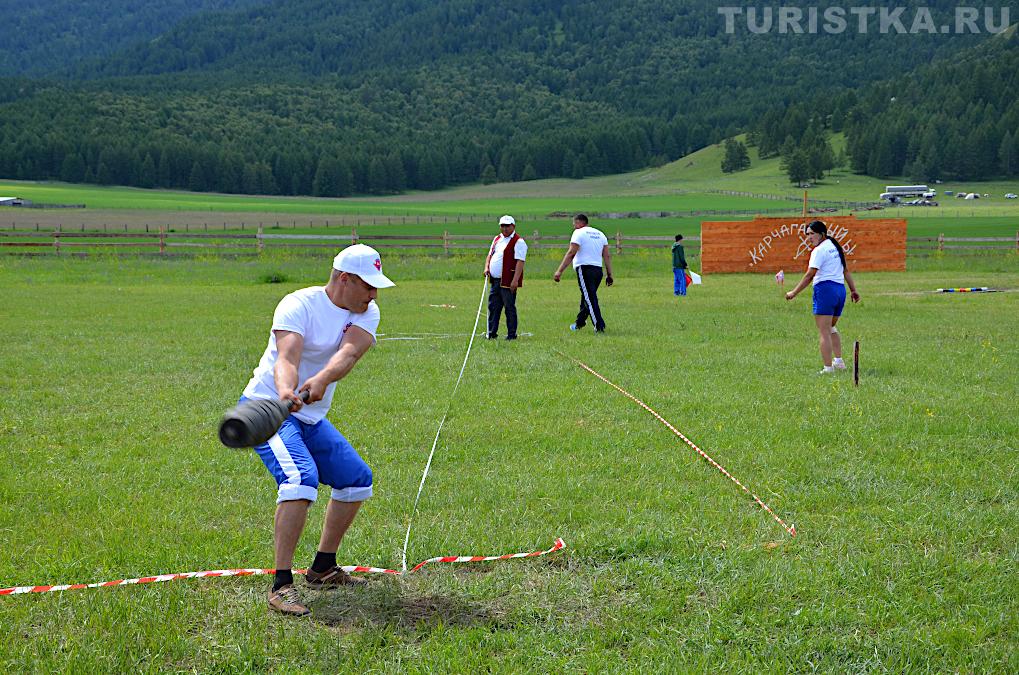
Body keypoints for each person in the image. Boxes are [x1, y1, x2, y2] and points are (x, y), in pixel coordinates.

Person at [237, 244, 395, 616]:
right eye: (368, 286)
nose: (373, 295)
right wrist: (286, 392)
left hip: (309, 417)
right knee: (300, 478)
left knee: (356, 480)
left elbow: (349, 353)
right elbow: (287, 356)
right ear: (344, 279)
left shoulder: (367, 311)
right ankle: (280, 585)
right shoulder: (298, 304)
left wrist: (321, 379)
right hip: (268, 409)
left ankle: (323, 567)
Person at [785, 221, 860, 374]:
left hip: (825, 290)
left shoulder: (819, 251)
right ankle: (839, 362)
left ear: (822, 234)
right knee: (831, 328)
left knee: (824, 331)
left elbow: (809, 275)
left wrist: (793, 292)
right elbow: (845, 271)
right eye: (807, 234)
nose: (809, 237)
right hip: (840, 291)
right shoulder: (834, 247)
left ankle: (828, 368)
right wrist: (853, 290)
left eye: (812, 233)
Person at [553, 213, 613, 332]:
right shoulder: (600, 234)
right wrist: (609, 274)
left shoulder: (578, 233)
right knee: (586, 297)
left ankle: (599, 326)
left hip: (585, 269)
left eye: (574, 224)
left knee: (590, 298)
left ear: (579, 223)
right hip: (598, 270)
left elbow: (571, 253)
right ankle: (579, 323)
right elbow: (606, 255)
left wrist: (559, 271)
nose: (574, 226)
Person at [483, 215, 527, 340]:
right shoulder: (497, 239)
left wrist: (515, 280)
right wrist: (487, 267)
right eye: (502, 226)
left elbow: (520, 262)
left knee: (509, 307)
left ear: (513, 226)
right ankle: (491, 332)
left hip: (508, 280)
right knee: (493, 306)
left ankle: (511, 334)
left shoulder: (519, 241)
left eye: (507, 226)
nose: (505, 228)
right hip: (495, 280)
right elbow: (490, 255)